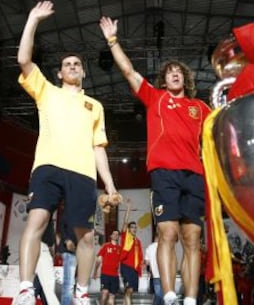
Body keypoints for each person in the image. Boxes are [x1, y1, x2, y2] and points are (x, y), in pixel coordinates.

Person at [99, 17, 211, 305]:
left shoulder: (201, 108)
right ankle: (170, 294)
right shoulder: (156, 98)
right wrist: (112, 41)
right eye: (170, 72)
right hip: (164, 174)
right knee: (167, 233)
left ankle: (190, 299)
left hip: (194, 176)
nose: (175, 74)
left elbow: (218, 138)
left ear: (186, 78)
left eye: (179, 72)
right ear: (165, 79)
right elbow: (128, 71)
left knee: (192, 239)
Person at [12, 1, 118, 305]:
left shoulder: (95, 106)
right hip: (47, 167)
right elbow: (23, 58)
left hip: (83, 173)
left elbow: (98, 147)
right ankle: (24, 289)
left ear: (83, 73)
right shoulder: (46, 91)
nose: (72, 67)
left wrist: (109, 183)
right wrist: (32, 18)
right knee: (37, 222)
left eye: (77, 64)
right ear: (59, 74)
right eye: (67, 65)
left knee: (86, 236)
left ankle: (82, 293)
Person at [119, 200, 144, 305]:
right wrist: (129, 207)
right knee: (129, 290)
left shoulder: (138, 241)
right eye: (132, 227)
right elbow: (125, 222)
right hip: (126, 266)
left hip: (134, 269)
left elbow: (140, 256)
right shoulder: (126, 236)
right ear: (128, 229)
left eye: (135, 227)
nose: (134, 229)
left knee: (130, 291)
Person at [34, 218, 59, 305]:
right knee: (47, 287)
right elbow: (51, 240)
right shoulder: (46, 215)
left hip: (40, 248)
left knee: (41, 283)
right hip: (41, 248)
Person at [93, 230, 121, 305]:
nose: (115, 235)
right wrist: (95, 272)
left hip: (115, 276)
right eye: (114, 233)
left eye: (117, 234)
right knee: (104, 294)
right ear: (111, 236)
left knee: (112, 297)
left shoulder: (120, 248)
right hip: (105, 274)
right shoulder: (106, 246)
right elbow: (98, 260)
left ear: (118, 237)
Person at [58, 215, 77, 305]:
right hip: (68, 249)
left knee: (72, 282)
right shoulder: (70, 209)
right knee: (69, 283)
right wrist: (66, 240)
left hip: (78, 251)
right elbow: (61, 225)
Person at [145, 234, 163, 305]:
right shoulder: (164, 246)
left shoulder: (149, 247)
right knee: (162, 295)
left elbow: (147, 262)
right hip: (165, 275)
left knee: (158, 294)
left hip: (155, 274)